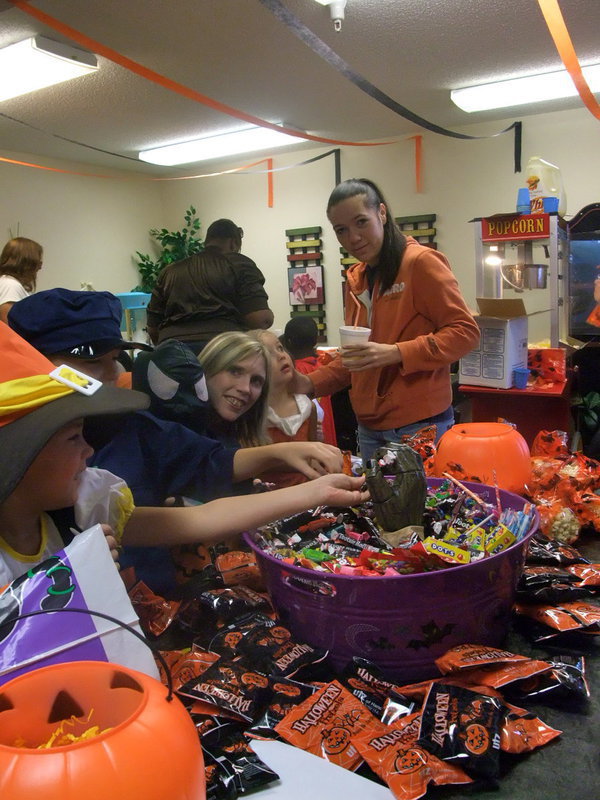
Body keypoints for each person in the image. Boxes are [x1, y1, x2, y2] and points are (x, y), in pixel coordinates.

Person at [8, 290, 343, 593]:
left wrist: (305, 478)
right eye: (93, 361)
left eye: (115, 359)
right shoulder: (59, 491)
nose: (112, 374)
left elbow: (203, 487)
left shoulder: (113, 462)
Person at [292, 178, 480, 464]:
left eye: (361, 222)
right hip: (369, 427)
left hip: (418, 425)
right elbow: (356, 359)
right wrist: (307, 383)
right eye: (341, 230)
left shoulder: (420, 263)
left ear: (381, 213)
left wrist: (396, 353)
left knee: (419, 496)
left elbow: (466, 333)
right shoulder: (357, 280)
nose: (353, 237)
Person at [146, 218, 274, 353]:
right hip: (222, 349)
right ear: (233, 243)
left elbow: (153, 329)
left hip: (173, 350)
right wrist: (268, 318)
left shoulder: (169, 271)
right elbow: (259, 319)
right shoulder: (239, 263)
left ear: (207, 241)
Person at [252, 329, 318, 487]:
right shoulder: (252, 413)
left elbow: (314, 450)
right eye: (268, 354)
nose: (281, 356)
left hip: (307, 490)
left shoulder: (307, 406)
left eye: (280, 348)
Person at [282, 316, 337, 447]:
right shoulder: (322, 368)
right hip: (327, 439)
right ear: (316, 340)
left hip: (312, 441)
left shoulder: (293, 373)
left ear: (288, 342)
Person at [0, 236, 43, 323]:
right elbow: (8, 324)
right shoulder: (10, 285)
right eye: (38, 261)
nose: (40, 267)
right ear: (28, 262)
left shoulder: (9, 283)